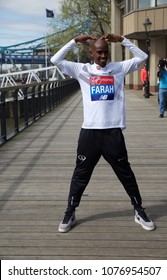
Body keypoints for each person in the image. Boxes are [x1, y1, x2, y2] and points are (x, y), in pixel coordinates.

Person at [51, 33, 155, 233]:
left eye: (105, 52)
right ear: (92, 53)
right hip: (89, 133)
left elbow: (142, 57)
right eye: (99, 52)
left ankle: (138, 209)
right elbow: (55, 60)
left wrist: (122, 40)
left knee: (125, 174)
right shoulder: (82, 70)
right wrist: (74, 41)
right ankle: (70, 210)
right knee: (80, 175)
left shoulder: (118, 68)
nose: (103, 56)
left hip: (112, 133)